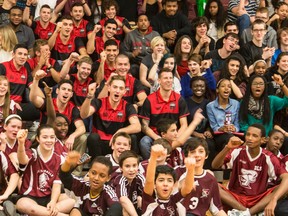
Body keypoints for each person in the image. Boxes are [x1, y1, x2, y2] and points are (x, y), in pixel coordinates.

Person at [212, 124, 288, 216]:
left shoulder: (269, 157)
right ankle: (249, 213)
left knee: (282, 188)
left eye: (254, 136)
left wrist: (274, 199)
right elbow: (215, 165)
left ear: (263, 140)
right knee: (212, 184)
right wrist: (227, 148)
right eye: (248, 134)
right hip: (235, 197)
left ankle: (246, 213)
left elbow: (286, 178)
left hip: (258, 199)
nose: (249, 138)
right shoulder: (238, 151)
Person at [16, 126, 75, 215]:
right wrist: (21, 143)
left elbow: (56, 184)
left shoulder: (59, 159)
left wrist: (53, 202)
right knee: (22, 204)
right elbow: (22, 159)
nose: (49, 140)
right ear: (38, 139)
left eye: (52, 137)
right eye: (45, 137)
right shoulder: (32, 153)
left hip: (48, 197)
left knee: (71, 202)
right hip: (29, 197)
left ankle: (41, 214)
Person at [80, 75, 141, 159]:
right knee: (93, 137)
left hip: (117, 145)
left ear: (124, 92)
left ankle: (130, 163)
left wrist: (119, 132)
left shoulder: (127, 106)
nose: (117, 91)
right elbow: (84, 114)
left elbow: (137, 126)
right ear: (109, 88)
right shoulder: (99, 102)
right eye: (115, 87)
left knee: (133, 137)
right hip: (100, 143)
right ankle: (97, 165)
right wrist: (89, 96)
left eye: (121, 88)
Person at [139, 68, 189, 159]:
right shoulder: (150, 100)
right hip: (156, 136)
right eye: (165, 78)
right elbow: (144, 125)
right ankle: (152, 166)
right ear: (159, 80)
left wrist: (177, 138)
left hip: (174, 134)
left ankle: (182, 168)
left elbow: (184, 124)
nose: (169, 81)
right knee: (144, 142)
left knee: (191, 141)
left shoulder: (179, 99)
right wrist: (157, 138)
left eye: (171, 78)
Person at [142, 144, 195, 215]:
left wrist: (191, 169)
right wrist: (154, 156)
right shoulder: (149, 200)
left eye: (169, 181)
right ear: (154, 185)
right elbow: (149, 181)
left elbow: (187, 188)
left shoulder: (174, 200)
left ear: (173, 185)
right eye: (161, 180)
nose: (165, 184)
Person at [180, 138, 226, 216]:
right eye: (192, 152)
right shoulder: (177, 172)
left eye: (201, 151)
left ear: (206, 155)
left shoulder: (210, 179)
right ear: (186, 156)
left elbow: (216, 209)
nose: (197, 155)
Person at [207, 79, 240, 151]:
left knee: (232, 138)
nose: (226, 88)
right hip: (219, 135)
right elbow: (214, 127)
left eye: (229, 86)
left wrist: (234, 128)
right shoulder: (210, 106)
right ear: (217, 90)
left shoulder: (236, 104)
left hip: (233, 134)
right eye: (223, 86)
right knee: (228, 138)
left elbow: (237, 125)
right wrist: (221, 128)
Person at [112, 150, 145, 215]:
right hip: (118, 211)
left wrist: (141, 197)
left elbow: (148, 193)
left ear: (138, 166)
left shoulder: (139, 177)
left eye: (134, 165)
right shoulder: (119, 179)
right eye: (127, 166)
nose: (131, 170)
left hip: (134, 208)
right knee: (125, 208)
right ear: (121, 168)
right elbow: (124, 200)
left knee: (142, 200)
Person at [0, 150, 19, 216]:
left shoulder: (1, 154)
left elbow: (14, 175)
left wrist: (5, 195)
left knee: (9, 208)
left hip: (2, 196)